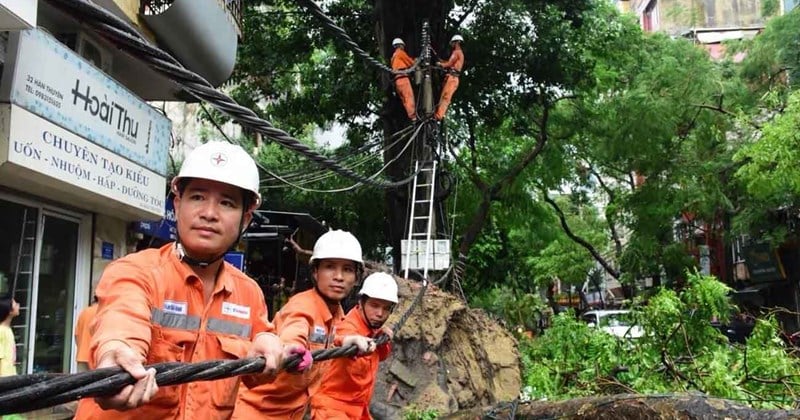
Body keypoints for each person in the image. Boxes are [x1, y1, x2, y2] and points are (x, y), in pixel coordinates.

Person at [74, 141, 309, 419]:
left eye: (226, 203)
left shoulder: (250, 294)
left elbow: (254, 373)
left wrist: (273, 353)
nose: (209, 213)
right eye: (197, 197)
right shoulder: (136, 271)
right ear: (177, 203)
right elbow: (122, 320)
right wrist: (116, 356)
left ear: (245, 218)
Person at [233, 229, 376, 419]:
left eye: (347, 269)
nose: (339, 277)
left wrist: (344, 341)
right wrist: (292, 348)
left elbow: (324, 340)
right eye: (330, 267)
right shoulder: (303, 306)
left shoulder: (336, 313)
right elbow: (295, 331)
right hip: (255, 412)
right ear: (315, 272)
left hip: (291, 413)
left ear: (356, 278)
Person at [310, 272, 398, 419]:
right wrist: (346, 340)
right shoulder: (348, 328)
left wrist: (383, 338)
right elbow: (334, 340)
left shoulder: (373, 330)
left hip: (359, 409)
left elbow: (380, 356)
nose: (380, 313)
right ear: (361, 302)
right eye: (374, 305)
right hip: (332, 410)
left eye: (386, 308)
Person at [434, 34, 465, 121]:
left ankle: (438, 115)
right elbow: (451, 63)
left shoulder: (456, 52)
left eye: (452, 43)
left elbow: (449, 64)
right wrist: (442, 62)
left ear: (457, 42)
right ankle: (438, 114)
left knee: (445, 97)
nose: (451, 45)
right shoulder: (460, 53)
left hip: (452, 78)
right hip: (453, 78)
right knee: (444, 96)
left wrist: (441, 64)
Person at [391, 38, 418, 121]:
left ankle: (411, 116)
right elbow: (411, 63)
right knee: (409, 97)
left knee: (405, 100)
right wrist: (416, 60)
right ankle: (413, 116)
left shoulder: (393, 57)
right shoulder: (400, 53)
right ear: (400, 45)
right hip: (403, 79)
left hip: (397, 81)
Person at [74, 295, 98, 372]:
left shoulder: (84, 312)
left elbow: (76, 335)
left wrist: (81, 349)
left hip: (82, 357)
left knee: (81, 382)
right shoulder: (103, 312)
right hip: (96, 358)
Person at [0, 298, 20, 377]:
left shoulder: (8, 329)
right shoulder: (1, 331)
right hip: (4, 377)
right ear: (10, 311)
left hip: (10, 375)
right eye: (15, 304)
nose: (18, 305)